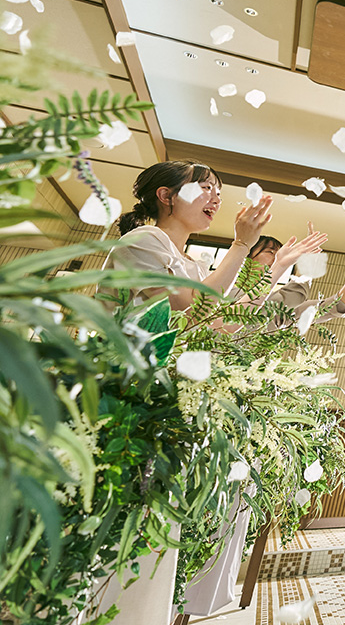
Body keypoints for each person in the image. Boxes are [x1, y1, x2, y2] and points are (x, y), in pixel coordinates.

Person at [97, 161, 325, 624]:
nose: (215, 196)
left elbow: (221, 323)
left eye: (218, 189)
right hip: (127, 403)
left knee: (153, 545)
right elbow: (194, 307)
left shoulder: (193, 263)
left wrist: (277, 269)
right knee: (121, 543)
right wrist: (240, 245)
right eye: (203, 186)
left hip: (164, 409)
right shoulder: (143, 242)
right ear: (165, 196)